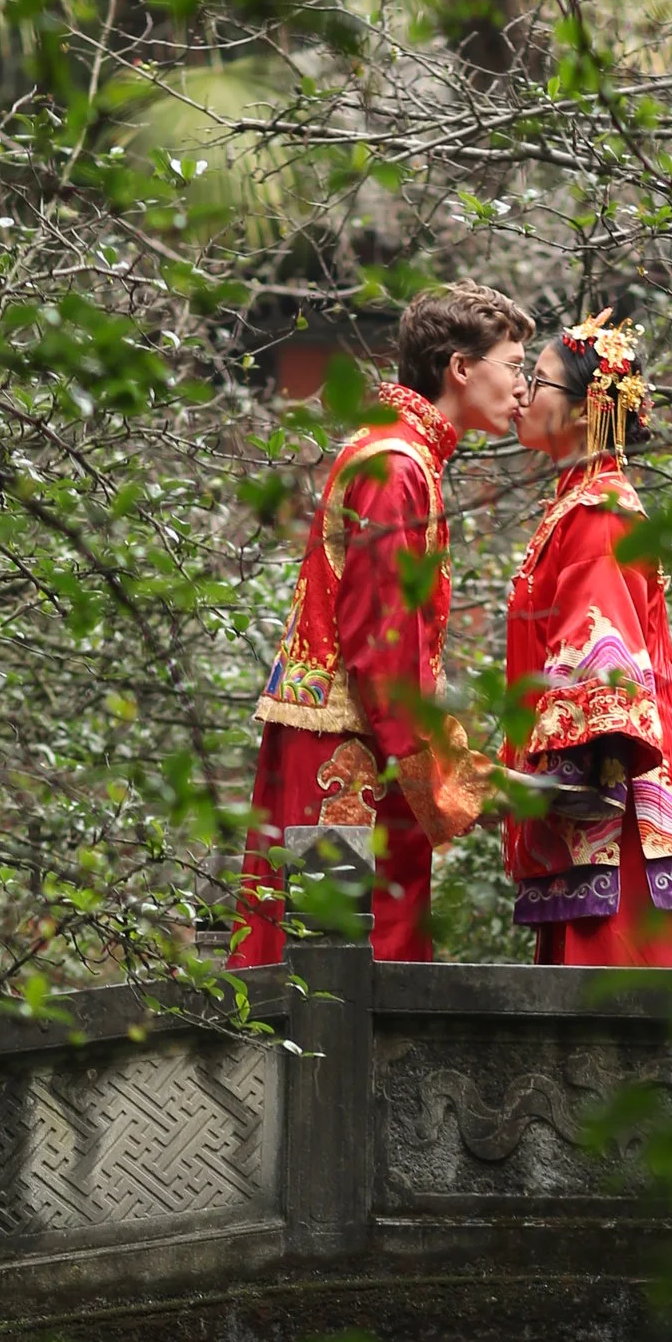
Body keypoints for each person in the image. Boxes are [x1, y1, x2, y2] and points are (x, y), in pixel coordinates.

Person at [228, 283, 533, 968]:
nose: (523, 386)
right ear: (460, 367)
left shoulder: (398, 452)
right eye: (514, 365)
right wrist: (458, 780)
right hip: (352, 755)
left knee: (325, 960)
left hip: (350, 740)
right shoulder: (396, 466)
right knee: (343, 975)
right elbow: (382, 650)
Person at [503, 318, 672, 967]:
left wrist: (553, 781)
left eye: (536, 381)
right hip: (598, 815)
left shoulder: (599, 512)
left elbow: (605, 659)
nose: (521, 393)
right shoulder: (577, 505)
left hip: (618, 818)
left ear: (587, 408)